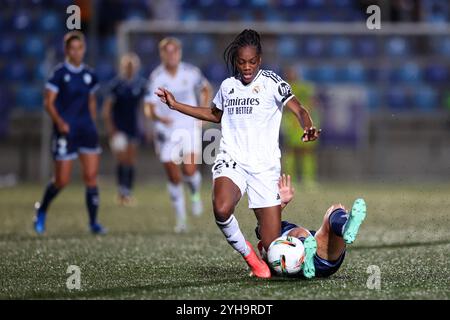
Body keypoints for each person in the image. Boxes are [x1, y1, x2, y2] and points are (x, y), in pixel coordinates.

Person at [155, 29, 320, 278]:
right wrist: (175, 105)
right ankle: (250, 257)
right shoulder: (228, 86)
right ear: (236, 61)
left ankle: (280, 226)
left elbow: (299, 109)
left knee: (273, 250)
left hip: (264, 168)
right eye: (242, 62)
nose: (246, 67)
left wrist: (307, 126)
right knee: (221, 209)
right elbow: (214, 114)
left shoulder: (272, 83)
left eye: (252, 62)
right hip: (232, 160)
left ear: (260, 60)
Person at [34, 31, 105, 234]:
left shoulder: (90, 75)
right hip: (66, 131)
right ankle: (42, 210)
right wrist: (60, 122)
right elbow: (48, 102)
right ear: (66, 51)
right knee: (62, 180)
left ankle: (93, 223)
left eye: (80, 48)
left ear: (83, 50)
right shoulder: (58, 74)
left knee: (91, 176)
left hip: (86, 130)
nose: (76, 52)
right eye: (72, 48)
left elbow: (91, 101)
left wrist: (93, 123)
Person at [144, 37, 212, 233]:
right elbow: (148, 107)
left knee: (190, 171)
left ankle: (195, 194)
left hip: (189, 127)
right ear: (162, 54)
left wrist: (203, 109)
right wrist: (157, 118)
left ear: (179, 53)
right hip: (166, 132)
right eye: (168, 51)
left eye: (175, 51)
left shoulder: (190, 72)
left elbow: (206, 88)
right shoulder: (156, 77)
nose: (171, 55)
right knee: (174, 177)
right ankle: (181, 219)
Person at [256, 174, 367, 278]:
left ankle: (345, 229)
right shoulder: (274, 236)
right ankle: (342, 226)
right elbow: (264, 223)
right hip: (320, 262)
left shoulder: (270, 233)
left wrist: (281, 203)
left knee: (304, 233)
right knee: (334, 210)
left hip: (305, 259)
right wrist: (281, 202)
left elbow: (264, 223)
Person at [103, 53, 147, 205]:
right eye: (127, 66)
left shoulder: (141, 84)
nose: (130, 68)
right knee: (122, 159)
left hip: (133, 127)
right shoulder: (116, 85)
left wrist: (146, 125)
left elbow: (143, 107)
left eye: (132, 66)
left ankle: (127, 192)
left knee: (131, 159)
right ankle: (122, 191)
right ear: (122, 67)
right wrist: (111, 128)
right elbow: (107, 109)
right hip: (119, 128)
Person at [281, 67, 320, 187]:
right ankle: (290, 180)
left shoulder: (304, 87)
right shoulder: (283, 88)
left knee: (307, 151)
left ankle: (308, 179)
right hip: (291, 122)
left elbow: (313, 102)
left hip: (304, 121)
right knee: (291, 150)